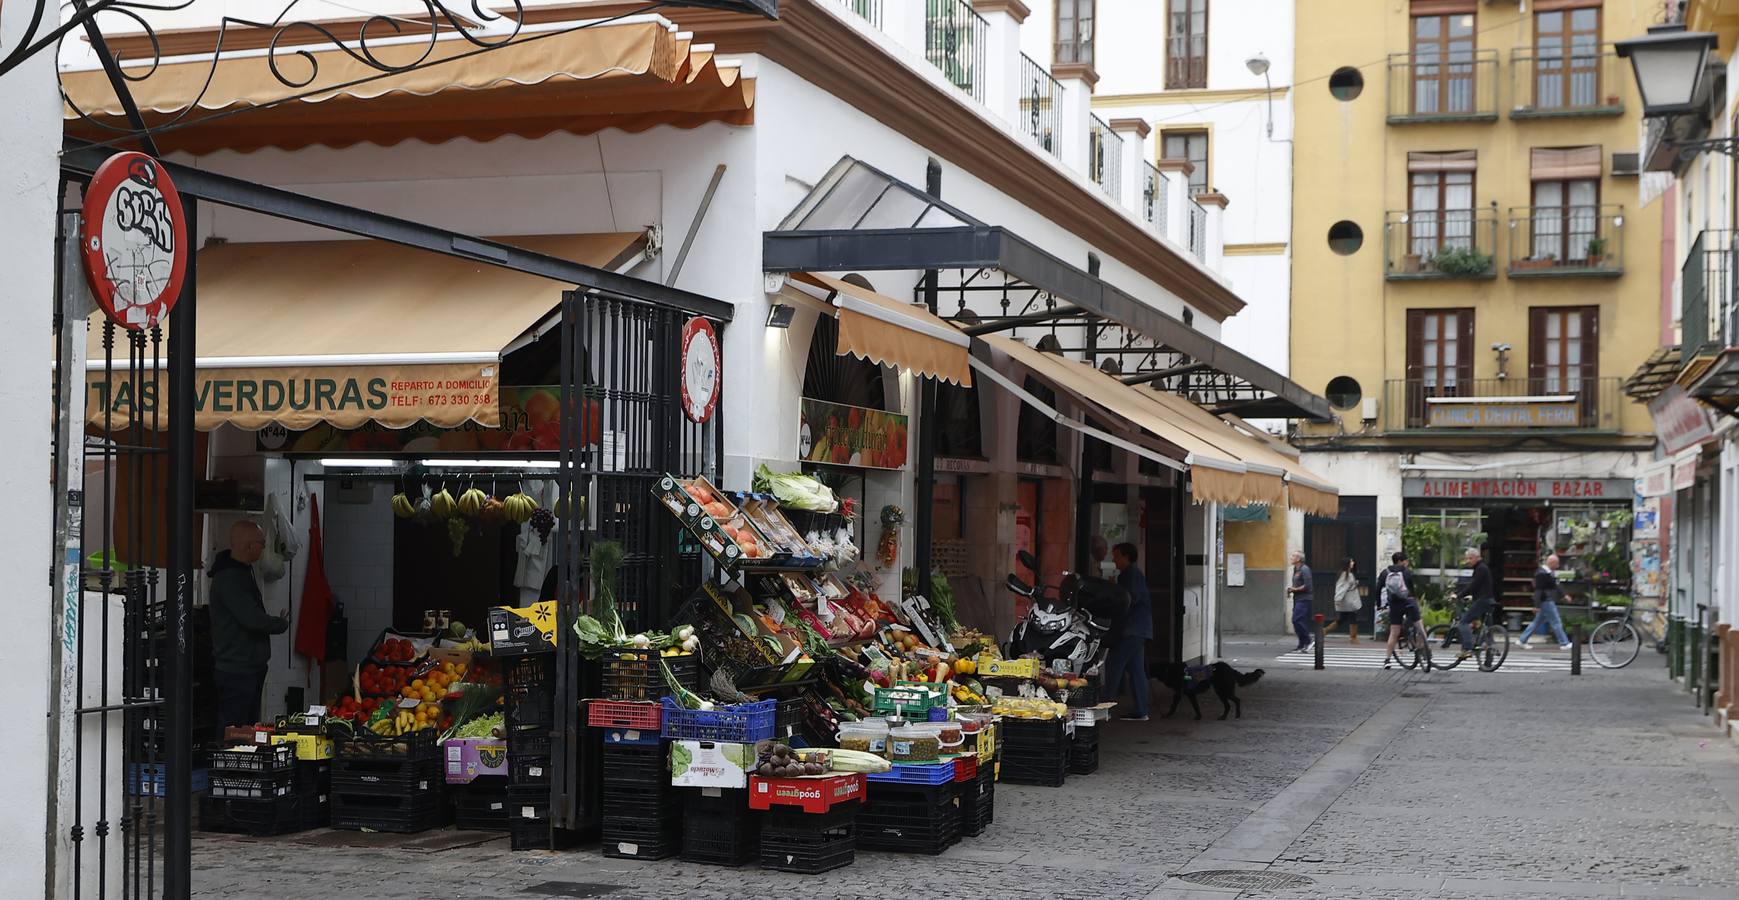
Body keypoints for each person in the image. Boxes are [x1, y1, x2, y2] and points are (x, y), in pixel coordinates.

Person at [210, 520, 289, 729]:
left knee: (246, 725)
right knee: (234, 726)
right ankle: (228, 759)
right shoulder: (230, 578)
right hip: (236, 667)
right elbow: (251, 618)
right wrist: (279, 624)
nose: (264, 548)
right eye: (262, 543)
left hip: (249, 665)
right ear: (248, 546)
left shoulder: (243, 571)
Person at [1104, 542, 1152, 722]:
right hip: (1139, 629)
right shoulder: (1132, 574)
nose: (1114, 560)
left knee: (1114, 665)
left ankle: (1105, 705)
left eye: (1116, 556)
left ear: (1125, 556)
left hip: (1131, 629)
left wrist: (1113, 591)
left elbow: (1128, 599)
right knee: (1136, 670)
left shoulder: (1130, 575)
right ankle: (1141, 709)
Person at [1516, 554, 1573, 650]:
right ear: (1552, 563)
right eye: (1557, 563)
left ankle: (1522, 640)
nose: (1558, 566)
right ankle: (1564, 643)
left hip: (1545, 600)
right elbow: (1539, 590)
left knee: (1537, 622)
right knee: (1556, 621)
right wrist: (1536, 605)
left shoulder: (1547, 572)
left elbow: (1555, 585)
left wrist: (1563, 595)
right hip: (1546, 600)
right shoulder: (1542, 574)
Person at [1454, 547, 1496, 664]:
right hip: (1489, 600)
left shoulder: (1480, 568)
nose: (1468, 560)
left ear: (1478, 558)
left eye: (1470, 558)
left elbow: (1474, 585)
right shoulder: (1483, 568)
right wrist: (1472, 596)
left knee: (1463, 622)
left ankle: (1467, 649)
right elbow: (1481, 586)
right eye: (1467, 558)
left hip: (1482, 601)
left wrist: (1459, 595)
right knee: (1487, 630)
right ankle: (1488, 662)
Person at [1382, 552, 1421, 670]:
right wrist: (1414, 599)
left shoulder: (1385, 572)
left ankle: (1387, 660)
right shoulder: (1406, 571)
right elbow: (1411, 587)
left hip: (1395, 604)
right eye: (1406, 561)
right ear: (1401, 561)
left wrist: (1379, 605)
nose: (1407, 563)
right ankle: (1425, 650)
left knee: (1394, 632)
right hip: (1408, 602)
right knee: (1420, 625)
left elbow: (1378, 588)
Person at [1322, 557, 1362, 644]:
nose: (1353, 563)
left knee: (1342, 619)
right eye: (1351, 562)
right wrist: (1338, 599)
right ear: (1347, 564)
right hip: (1349, 601)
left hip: (1348, 600)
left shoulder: (1347, 574)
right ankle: (1353, 637)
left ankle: (1325, 631)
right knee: (1353, 618)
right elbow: (1341, 588)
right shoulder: (1346, 575)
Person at [1286, 550, 1314, 653]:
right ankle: (1301, 644)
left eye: (1293, 556)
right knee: (1297, 621)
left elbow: (1307, 586)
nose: (1291, 557)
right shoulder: (1296, 569)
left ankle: (1308, 641)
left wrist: (1294, 589)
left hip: (1304, 599)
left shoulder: (1304, 569)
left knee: (1297, 619)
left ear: (1298, 559)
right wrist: (1291, 589)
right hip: (1297, 598)